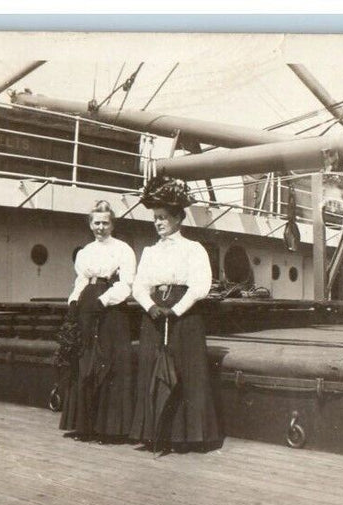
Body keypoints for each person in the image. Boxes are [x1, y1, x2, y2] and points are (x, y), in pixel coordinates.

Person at [129, 176, 222, 452]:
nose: (158, 222)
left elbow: (200, 285)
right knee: (152, 370)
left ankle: (188, 435)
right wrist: (152, 306)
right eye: (155, 218)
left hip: (185, 316)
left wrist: (176, 310)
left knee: (186, 372)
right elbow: (139, 286)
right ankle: (155, 433)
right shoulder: (149, 252)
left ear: (178, 218)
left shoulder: (194, 249)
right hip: (155, 316)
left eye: (164, 217)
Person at [59, 200, 137, 440]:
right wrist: (73, 301)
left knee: (111, 363)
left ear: (112, 224)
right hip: (86, 305)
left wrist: (104, 301)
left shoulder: (123, 249)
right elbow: (81, 281)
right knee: (87, 362)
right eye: (96, 223)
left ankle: (111, 428)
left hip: (111, 307)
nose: (100, 227)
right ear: (90, 224)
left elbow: (127, 284)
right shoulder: (85, 252)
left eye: (105, 223)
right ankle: (86, 425)